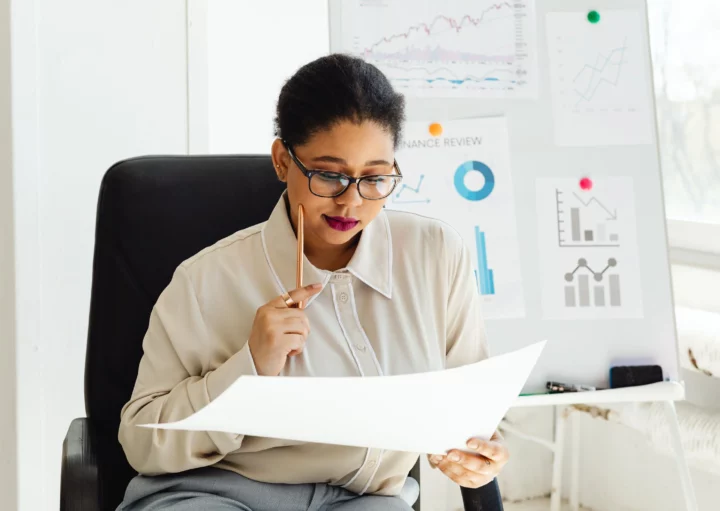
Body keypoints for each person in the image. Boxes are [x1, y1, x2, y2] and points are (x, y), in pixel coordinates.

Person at [116, 53, 509, 511]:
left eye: (375, 178)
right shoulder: (205, 279)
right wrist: (249, 369)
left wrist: (476, 453)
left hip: (362, 500)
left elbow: (469, 415)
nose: (351, 201)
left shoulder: (436, 255)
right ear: (283, 161)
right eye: (329, 175)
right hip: (215, 494)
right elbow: (142, 442)